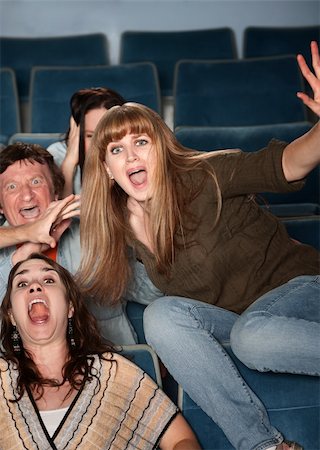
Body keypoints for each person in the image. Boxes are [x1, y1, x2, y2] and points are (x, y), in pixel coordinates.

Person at [78, 41, 320, 450]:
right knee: (160, 316)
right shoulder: (121, 230)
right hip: (242, 320)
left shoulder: (207, 175)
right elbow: (91, 288)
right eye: (117, 149)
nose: (130, 155)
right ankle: (263, 445)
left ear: (161, 146)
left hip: (301, 291)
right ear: (107, 168)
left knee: (251, 337)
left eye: (141, 142)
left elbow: (287, 164)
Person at [0, 253, 201, 449]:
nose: (35, 286)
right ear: (11, 316)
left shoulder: (112, 372)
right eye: (22, 284)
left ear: (70, 307)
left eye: (49, 280)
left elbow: (180, 440)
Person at [0, 142, 161, 345]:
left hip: (107, 362)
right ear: (1, 206)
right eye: (11, 187)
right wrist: (29, 250)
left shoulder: (93, 235)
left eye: (35, 181)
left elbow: (152, 291)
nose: (26, 195)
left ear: (55, 192)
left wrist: (148, 238)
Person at [47, 87, 125, 197]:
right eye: (90, 135)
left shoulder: (129, 155)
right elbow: (58, 212)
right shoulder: (58, 154)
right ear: (76, 132)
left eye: (106, 135)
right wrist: (68, 165)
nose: (98, 144)